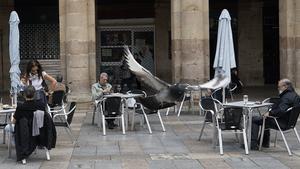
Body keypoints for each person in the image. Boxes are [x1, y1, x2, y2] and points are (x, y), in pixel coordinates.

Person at [251, 79, 300, 150]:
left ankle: (253, 145)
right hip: (290, 123)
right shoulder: (294, 95)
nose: (278, 89)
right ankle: (264, 142)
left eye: (279, 87)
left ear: (285, 86)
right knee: (264, 119)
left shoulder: (286, 97)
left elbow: (281, 110)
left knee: (254, 119)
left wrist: (270, 113)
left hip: (281, 122)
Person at [11, 85, 56, 163]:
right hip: (40, 132)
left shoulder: (21, 107)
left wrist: (12, 117)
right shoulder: (41, 105)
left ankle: (21, 151)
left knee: (11, 127)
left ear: (24, 95)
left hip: (25, 134)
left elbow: (14, 122)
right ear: (34, 94)